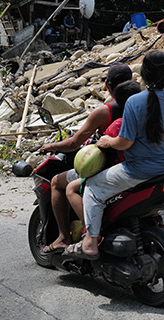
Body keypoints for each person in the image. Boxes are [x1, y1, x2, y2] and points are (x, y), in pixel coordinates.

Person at [64, 50, 164, 259]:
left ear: (143, 74)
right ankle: (160, 230)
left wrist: (108, 141)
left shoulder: (135, 102)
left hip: (140, 171)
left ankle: (90, 241)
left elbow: (124, 143)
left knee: (91, 188)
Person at [39, 63, 133, 254]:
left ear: (107, 84)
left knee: (58, 182)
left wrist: (51, 146)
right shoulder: (140, 106)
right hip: (139, 164)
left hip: (110, 168)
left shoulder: (105, 112)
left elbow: (73, 143)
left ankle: (65, 238)